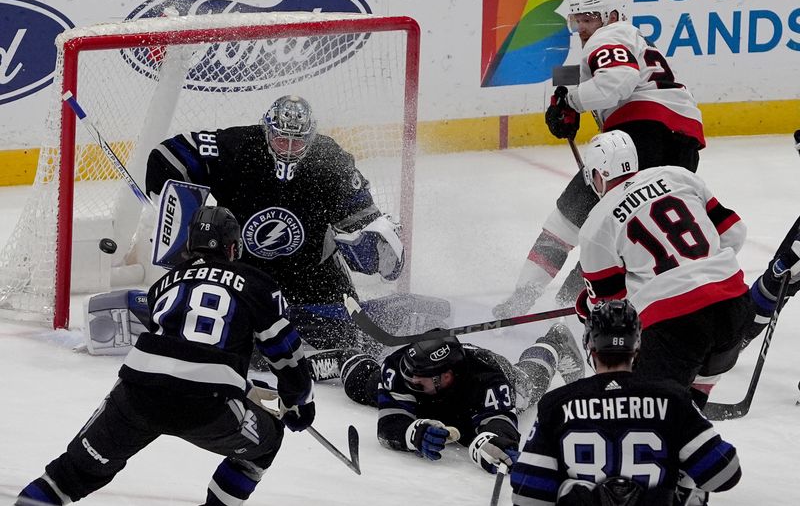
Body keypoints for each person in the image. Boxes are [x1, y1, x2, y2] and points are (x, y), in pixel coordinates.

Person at [17, 206, 314, 506]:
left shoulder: (162, 285)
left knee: (70, 474)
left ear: (188, 245)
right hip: (205, 406)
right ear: (233, 247)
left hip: (135, 395)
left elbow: (178, 347)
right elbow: (285, 355)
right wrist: (298, 401)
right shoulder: (258, 285)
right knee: (267, 443)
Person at [145, 95, 414, 368]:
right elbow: (168, 155)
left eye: (296, 141)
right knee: (228, 331)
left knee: (349, 336)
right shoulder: (236, 147)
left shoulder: (331, 160)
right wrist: (171, 208)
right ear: (267, 130)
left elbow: (362, 215)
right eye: (280, 139)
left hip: (314, 273)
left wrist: (377, 244)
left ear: (310, 138)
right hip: (245, 273)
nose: (287, 148)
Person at [494, 0, 705, 319]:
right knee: (617, 232)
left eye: (589, 18)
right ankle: (579, 308)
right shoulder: (630, 40)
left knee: (569, 221)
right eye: (577, 20)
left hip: (641, 140)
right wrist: (563, 96)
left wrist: (570, 100)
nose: (581, 28)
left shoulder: (611, 35)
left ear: (612, 16)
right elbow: (587, 75)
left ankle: (533, 300)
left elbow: (613, 84)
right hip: (678, 148)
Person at [576, 130, 800, 409]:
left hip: (675, 328)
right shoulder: (676, 175)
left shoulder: (595, 224)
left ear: (598, 174)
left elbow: (611, 308)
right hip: (735, 309)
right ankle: (695, 403)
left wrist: (587, 303)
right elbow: (734, 233)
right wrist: (697, 268)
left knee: (643, 407)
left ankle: (676, 415)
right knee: (693, 387)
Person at [510, 300, 742, 506]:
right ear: (637, 344)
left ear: (590, 344)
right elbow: (724, 474)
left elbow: (527, 495)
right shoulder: (672, 398)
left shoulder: (557, 403)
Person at [338, 322, 584, 473]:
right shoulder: (400, 369)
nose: (409, 381)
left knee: (531, 382)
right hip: (440, 401)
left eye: (418, 379)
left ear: (444, 377)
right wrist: (412, 434)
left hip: (486, 389)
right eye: (407, 372)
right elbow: (389, 427)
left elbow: (502, 427)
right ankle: (343, 359)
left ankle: (554, 342)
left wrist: (489, 442)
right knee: (365, 385)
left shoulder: (490, 380)